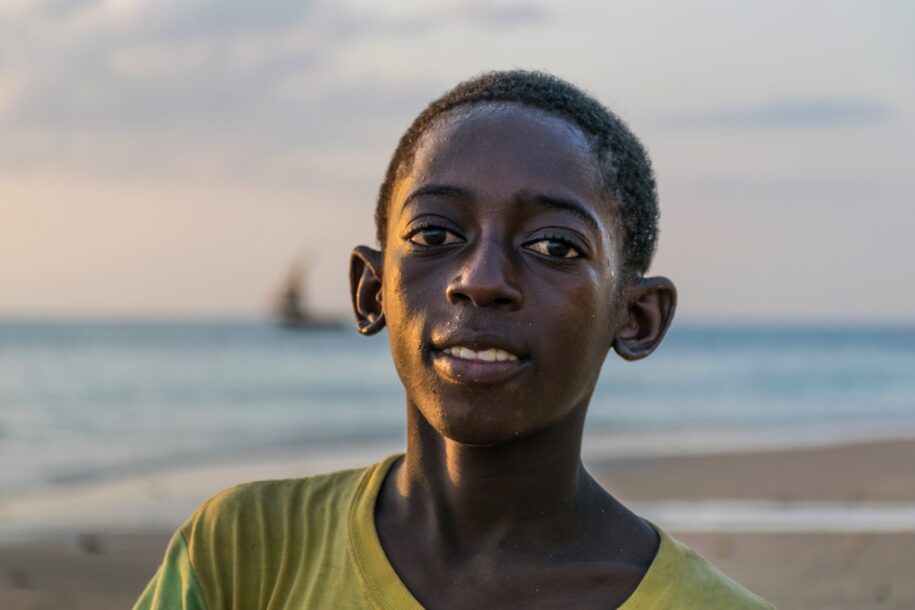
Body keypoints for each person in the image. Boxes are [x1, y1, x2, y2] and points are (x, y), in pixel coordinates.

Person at [135, 70, 774, 609]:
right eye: (435, 236)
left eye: (553, 245)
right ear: (371, 290)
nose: (482, 280)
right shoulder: (244, 553)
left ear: (635, 317)